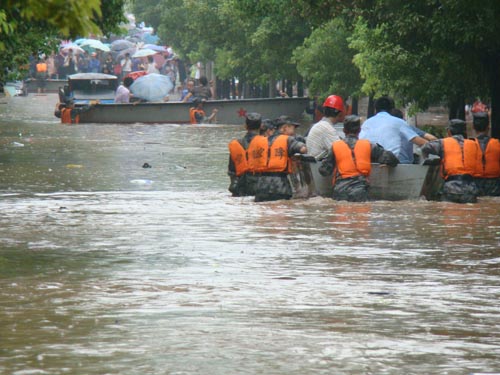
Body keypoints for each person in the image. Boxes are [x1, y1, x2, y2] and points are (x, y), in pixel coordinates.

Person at [319, 115, 399, 202]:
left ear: (344, 130)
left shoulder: (335, 147)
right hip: (360, 191)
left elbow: (324, 171)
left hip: (340, 191)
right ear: (360, 130)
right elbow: (392, 159)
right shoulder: (369, 146)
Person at [422, 119, 480, 203]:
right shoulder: (474, 144)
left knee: (450, 214)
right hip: (471, 189)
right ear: (465, 131)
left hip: (451, 188)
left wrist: (428, 160)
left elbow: (425, 148)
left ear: (449, 131)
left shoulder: (442, 143)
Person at [359, 95, 428, 163]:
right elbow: (419, 141)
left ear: (375, 110)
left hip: (369, 162)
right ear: (392, 110)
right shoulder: (399, 122)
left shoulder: (366, 123)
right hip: (392, 164)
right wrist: (436, 146)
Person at [254, 116, 308, 202]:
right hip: (280, 186)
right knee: (281, 212)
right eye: (293, 129)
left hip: (261, 186)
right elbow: (303, 149)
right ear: (285, 128)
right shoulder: (288, 139)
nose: (294, 132)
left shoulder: (262, 140)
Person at [227, 113, 264, 196]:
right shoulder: (266, 143)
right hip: (260, 186)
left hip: (240, 187)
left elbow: (231, 171)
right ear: (261, 126)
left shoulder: (236, 144)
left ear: (245, 126)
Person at [470, 112, 500, 196]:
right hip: (495, 185)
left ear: (473, 127)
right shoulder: (497, 144)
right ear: (488, 127)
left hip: (473, 184)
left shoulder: (467, 145)